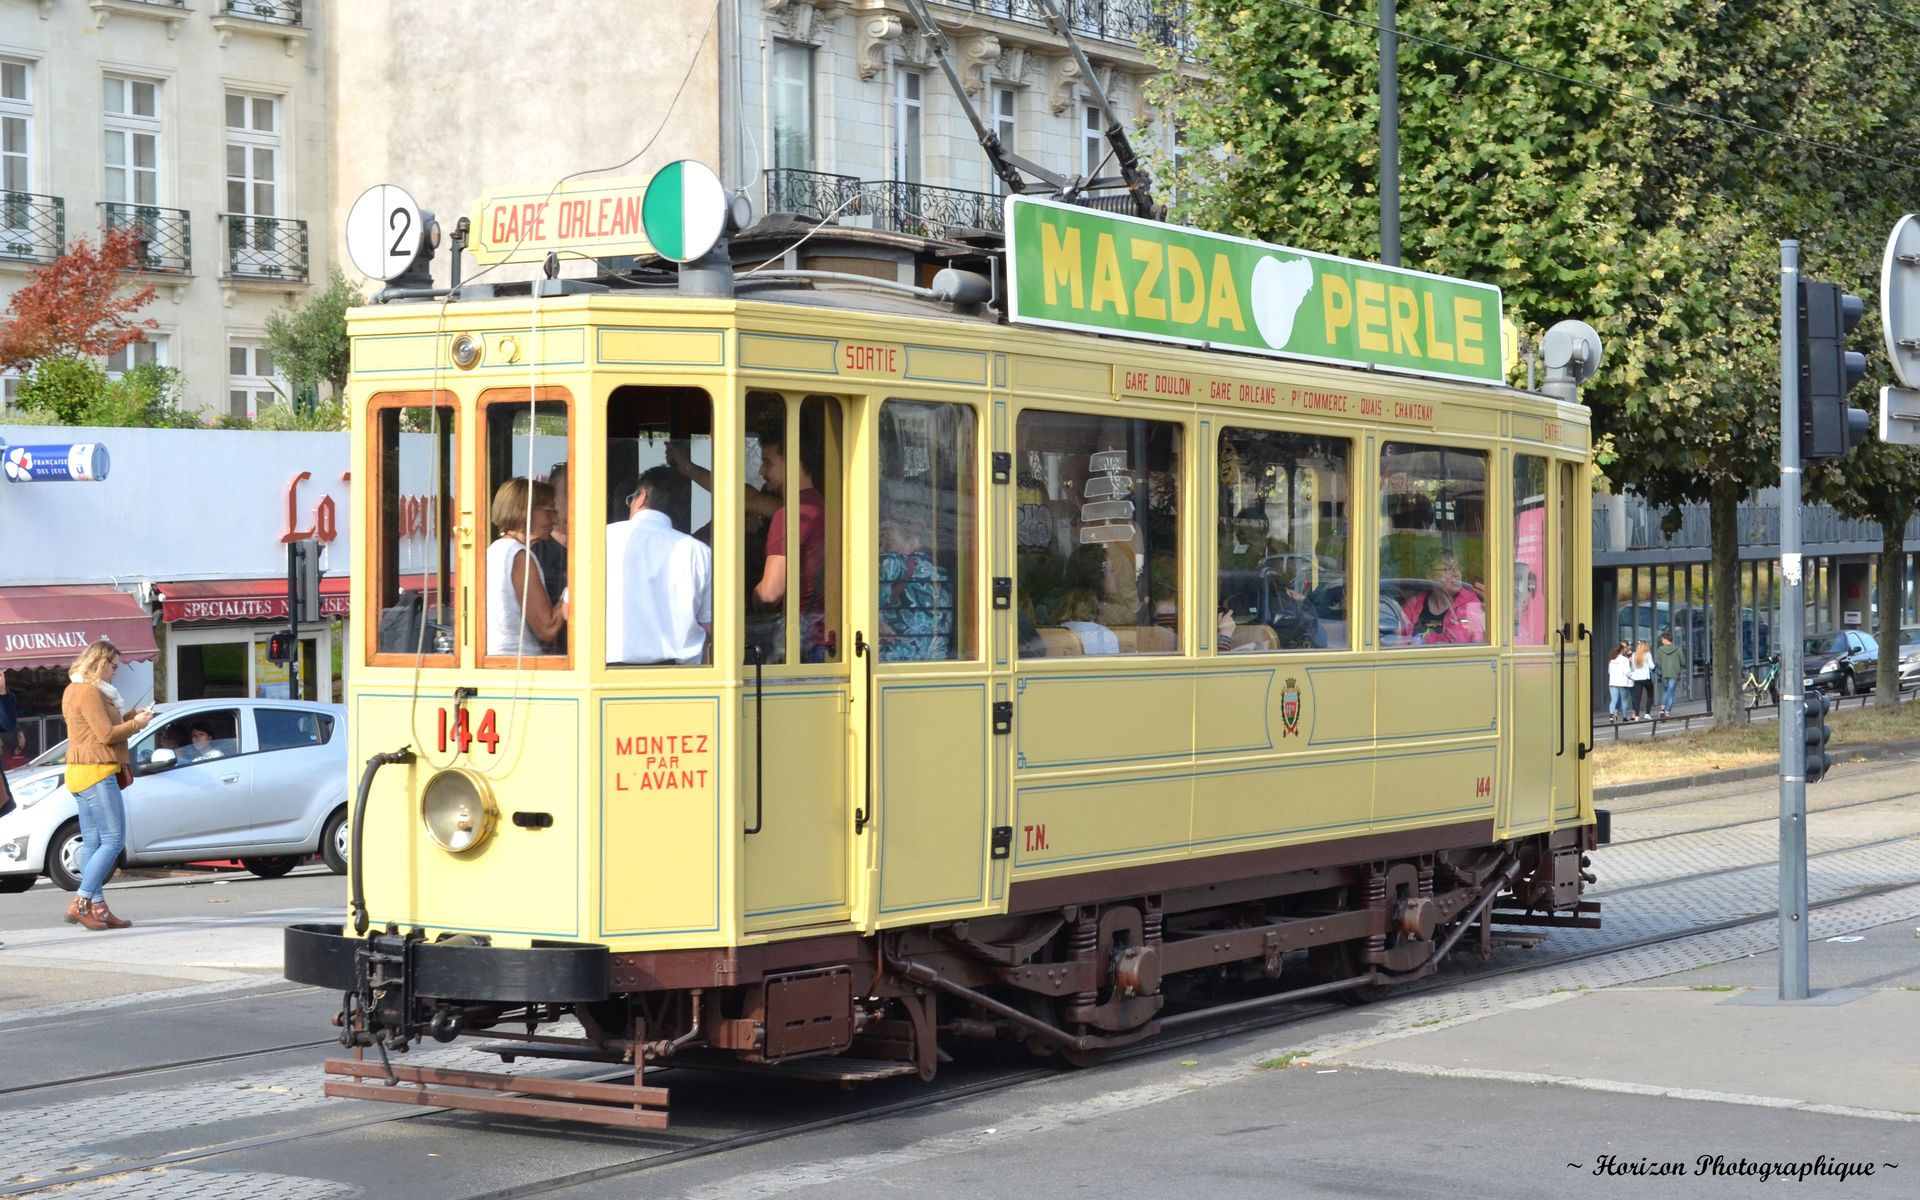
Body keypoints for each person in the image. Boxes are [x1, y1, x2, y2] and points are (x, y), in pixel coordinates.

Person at [60, 639, 152, 932]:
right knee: (113, 841)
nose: (115, 672)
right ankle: (82, 901)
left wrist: (132, 718)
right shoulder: (89, 692)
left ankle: (98, 907)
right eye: (113, 666)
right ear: (99, 662)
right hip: (97, 772)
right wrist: (137, 724)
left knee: (93, 842)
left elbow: (94, 729)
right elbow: (105, 734)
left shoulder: (75, 688)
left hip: (79, 772)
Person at [605, 466, 714, 665]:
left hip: (604, 674)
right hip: (679, 679)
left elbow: (571, 611)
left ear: (642, 497)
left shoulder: (599, 539)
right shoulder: (698, 552)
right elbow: (709, 625)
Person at [752, 428, 828, 661]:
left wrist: (751, 596)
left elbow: (770, 592)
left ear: (793, 462)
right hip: (826, 637)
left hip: (801, 642)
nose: (762, 470)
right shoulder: (824, 506)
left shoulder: (790, 515)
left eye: (768, 461)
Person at [486, 477, 568, 656]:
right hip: (520, 665)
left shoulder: (493, 551)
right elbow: (548, 628)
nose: (555, 520)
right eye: (549, 512)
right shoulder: (518, 555)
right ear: (525, 512)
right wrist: (574, 587)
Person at [876, 508, 954, 661]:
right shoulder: (942, 572)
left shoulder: (893, 562)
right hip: (936, 660)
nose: (881, 549)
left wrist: (879, 622)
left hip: (897, 661)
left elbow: (864, 604)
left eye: (887, 542)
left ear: (913, 543)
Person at [1397, 550, 1485, 645]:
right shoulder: (1414, 604)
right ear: (1430, 575)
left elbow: (1459, 639)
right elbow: (1398, 638)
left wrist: (1421, 639)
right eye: (1448, 569)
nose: (1457, 574)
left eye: (1458, 568)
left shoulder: (1469, 602)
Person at [529, 463, 570, 654]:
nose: (577, 498)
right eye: (568, 491)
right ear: (552, 499)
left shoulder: (603, 546)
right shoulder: (533, 553)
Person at [1654, 631, 1685, 717]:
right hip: (1674, 674)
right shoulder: (1678, 649)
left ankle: (1662, 708)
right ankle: (1667, 712)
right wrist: (1678, 669)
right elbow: (1683, 662)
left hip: (1664, 674)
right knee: (1670, 693)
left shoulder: (1660, 650)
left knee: (1665, 691)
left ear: (1665, 639)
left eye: (1662, 639)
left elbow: (1657, 663)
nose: (1661, 641)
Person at [1606, 640, 1632, 723]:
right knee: (1624, 700)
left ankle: (1612, 715)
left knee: (1613, 700)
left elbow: (1609, 671)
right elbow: (1627, 672)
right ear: (1621, 650)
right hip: (1623, 682)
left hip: (1613, 682)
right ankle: (1624, 717)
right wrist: (1634, 676)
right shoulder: (1625, 660)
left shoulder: (1612, 660)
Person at [1629, 639, 1655, 720]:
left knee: (1637, 697)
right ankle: (1647, 713)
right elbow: (1652, 666)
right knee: (1650, 695)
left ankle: (1636, 716)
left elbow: (1633, 667)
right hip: (1646, 678)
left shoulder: (1634, 655)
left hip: (1637, 678)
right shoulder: (1648, 654)